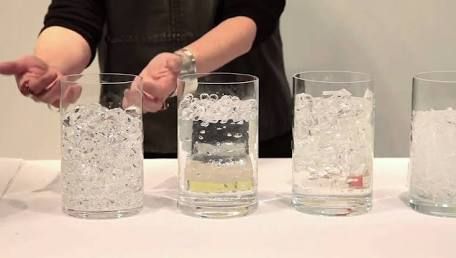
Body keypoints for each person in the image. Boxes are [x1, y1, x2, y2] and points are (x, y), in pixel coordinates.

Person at [0, 0, 292, 158]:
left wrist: (183, 64)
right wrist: (51, 68)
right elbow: (73, 16)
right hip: (137, 141)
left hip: (250, 140)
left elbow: (254, 12)